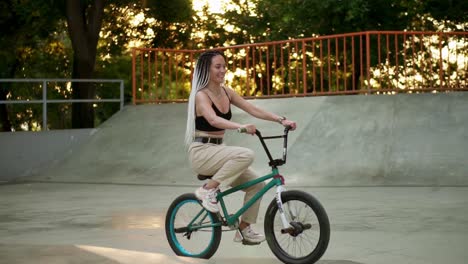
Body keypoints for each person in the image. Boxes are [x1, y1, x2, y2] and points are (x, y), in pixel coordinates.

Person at [185, 50, 297, 244]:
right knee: (245, 154)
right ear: (207, 69)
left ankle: (244, 230)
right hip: (202, 152)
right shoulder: (201, 95)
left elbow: (252, 108)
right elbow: (213, 119)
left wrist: (281, 120)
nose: (223, 70)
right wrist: (240, 127)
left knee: (257, 186)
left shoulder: (227, 92)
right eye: (217, 67)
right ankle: (207, 190)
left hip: (219, 150)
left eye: (224, 66)